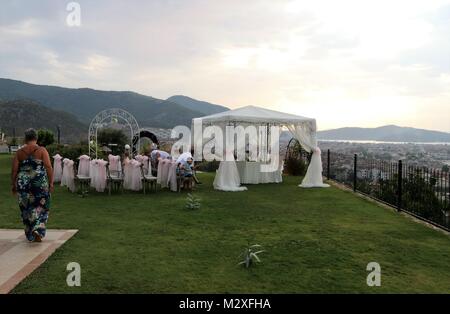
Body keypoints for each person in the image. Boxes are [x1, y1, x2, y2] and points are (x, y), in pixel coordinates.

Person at [11, 128, 54, 242]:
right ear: (36, 138)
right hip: (39, 182)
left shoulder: (19, 152)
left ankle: (30, 232)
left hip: (23, 183)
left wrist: (13, 184)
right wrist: (51, 182)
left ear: (25, 138)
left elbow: (14, 170)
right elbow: (49, 167)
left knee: (26, 208)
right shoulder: (42, 150)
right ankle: (38, 229)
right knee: (42, 205)